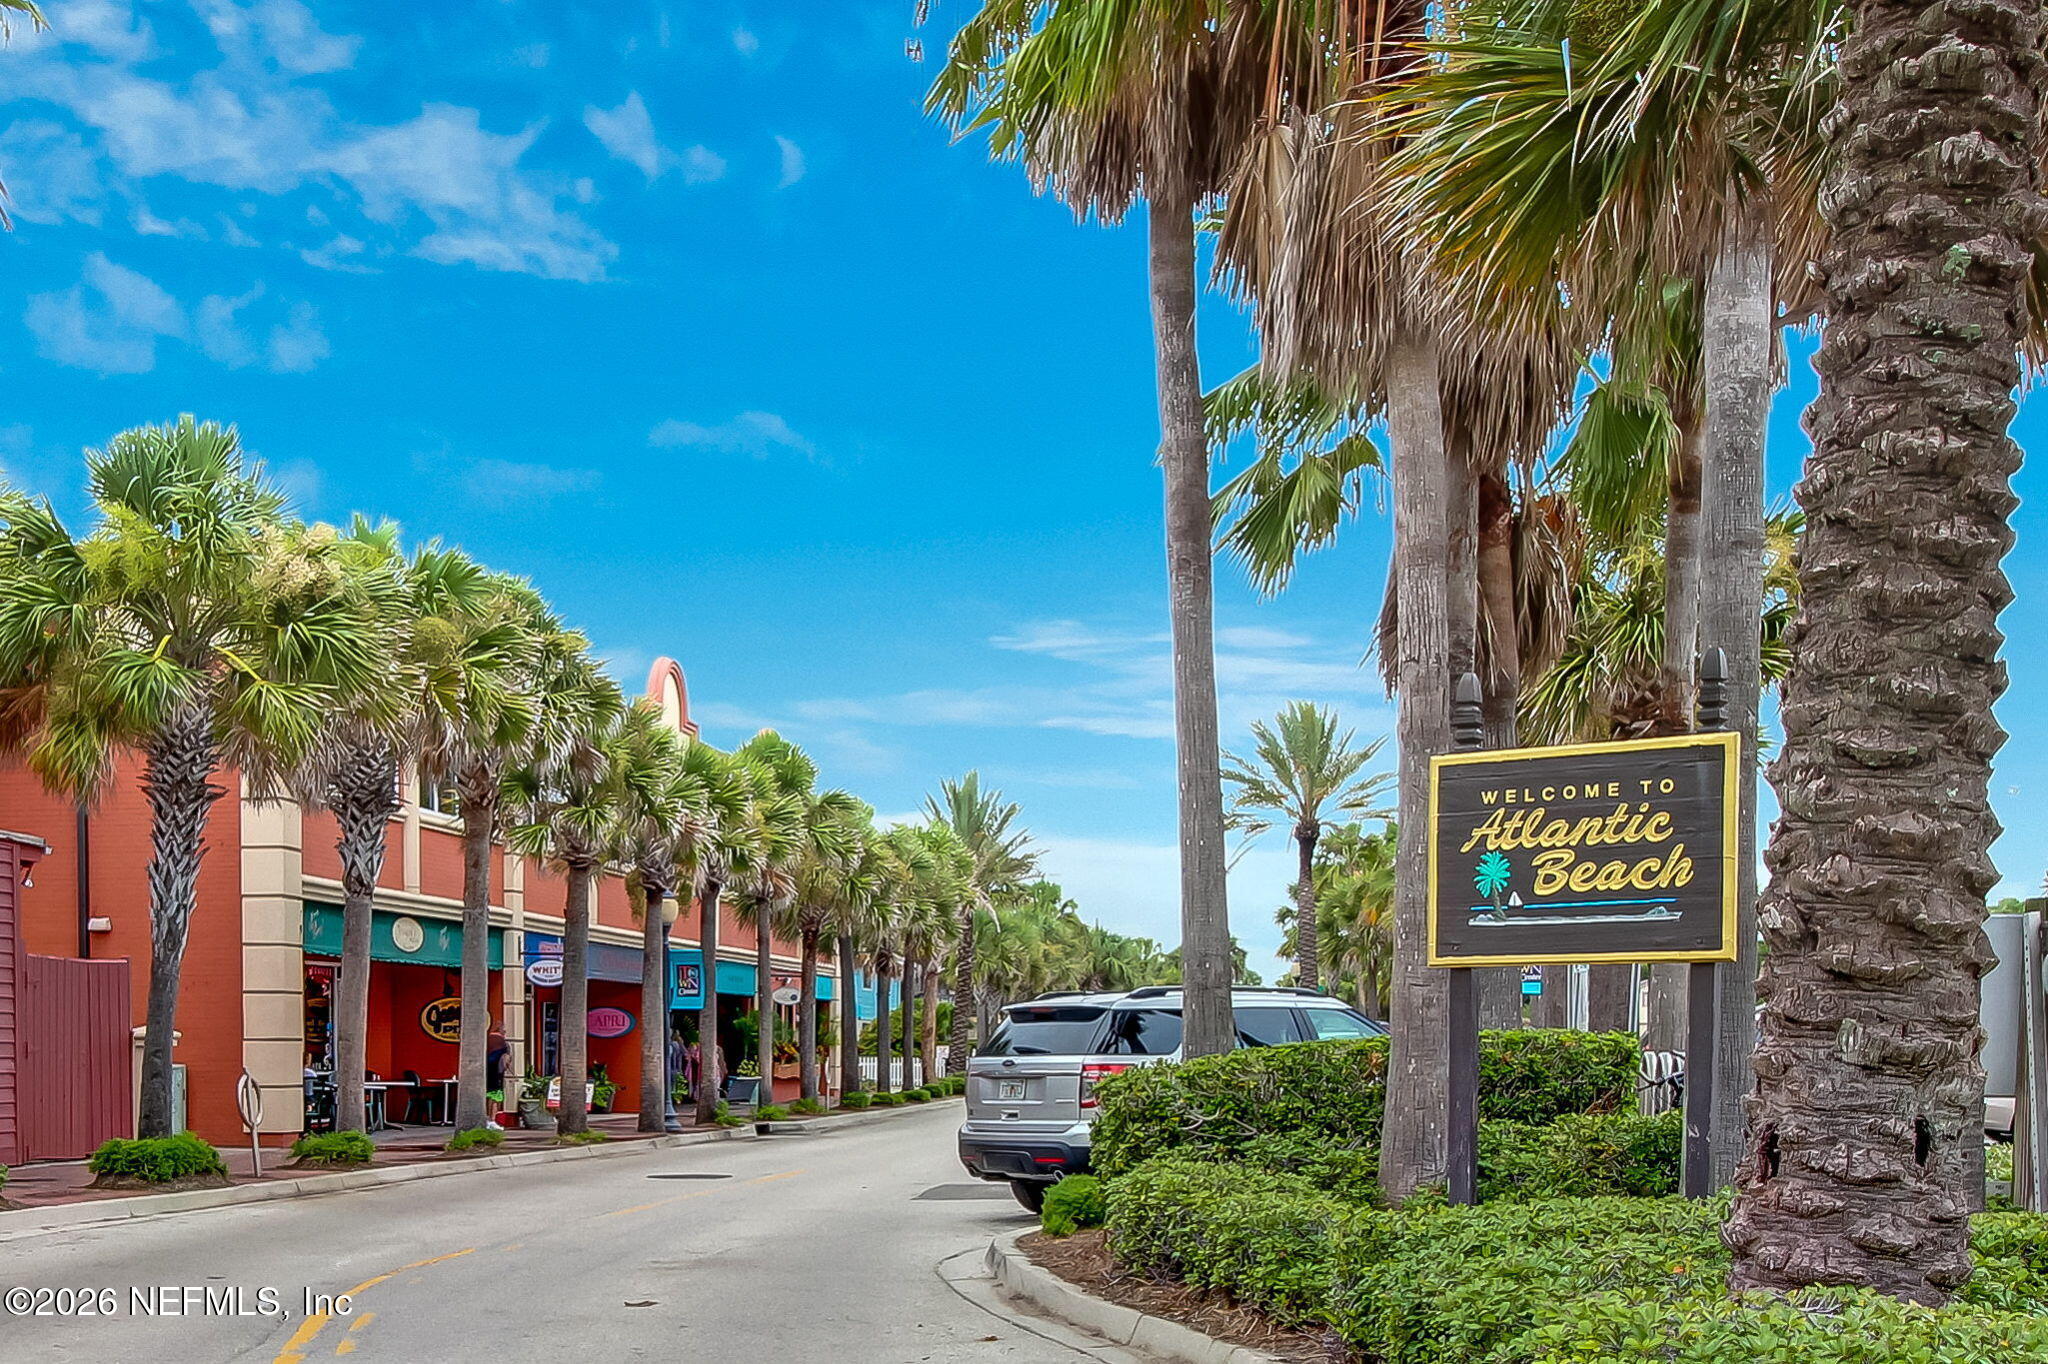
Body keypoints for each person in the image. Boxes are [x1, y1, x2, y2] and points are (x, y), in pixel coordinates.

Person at [485, 1027, 510, 1131]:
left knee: (487, 1097)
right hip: (496, 1074)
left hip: (485, 1074)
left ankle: (487, 1120)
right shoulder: (504, 1044)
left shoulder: (486, 1041)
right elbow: (506, 1061)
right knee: (495, 1098)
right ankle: (492, 1120)